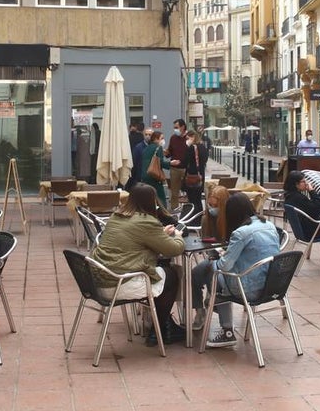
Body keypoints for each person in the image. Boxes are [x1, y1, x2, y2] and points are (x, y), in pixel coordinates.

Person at [91, 184, 185, 346]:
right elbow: (174, 249)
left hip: (97, 282)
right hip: (119, 283)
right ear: (152, 201)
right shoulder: (147, 222)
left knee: (158, 273)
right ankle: (159, 330)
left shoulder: (116, 216)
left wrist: (159, 235)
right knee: (171, 275)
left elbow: (134, 237)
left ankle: (161, 324)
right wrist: (177, 235)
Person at [192, 192, 280, 347]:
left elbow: (224, 266)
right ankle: (212, 304)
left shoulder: (241, 232)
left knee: (211, 272)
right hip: (272, 284)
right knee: (209, 272)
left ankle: (226, 329)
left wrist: (218, 258)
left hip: (248, 288)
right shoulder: (269, 225)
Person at [282, 169, 320, 270]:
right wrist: (312, 191)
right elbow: (317, 206)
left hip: (303, 229)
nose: (306, 183)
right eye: (303, 181)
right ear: (296, 184)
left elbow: (310, 212)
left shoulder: (290, 196)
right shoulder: (299, 198)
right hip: (312, 231)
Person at [140, 130, 169, 208]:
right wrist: (171, 164)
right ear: (156, 139)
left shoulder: (146, 148)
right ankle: (163, 216)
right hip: (154, 177)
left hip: (145, 177)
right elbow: (161, 163)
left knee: (148, 199)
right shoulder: (158, 148)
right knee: (160, 199)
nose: (163, 140)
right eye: (161, 138)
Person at [182, 129, 208, 214]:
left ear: (193, 137)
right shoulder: (203, 147)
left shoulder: (191, 148)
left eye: (188, 138)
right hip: (200, 176)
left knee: (192, 200)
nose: (187, 140)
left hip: (192, 177)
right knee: (198, 199)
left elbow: (185, 161)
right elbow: (205, 160)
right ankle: (199, 217)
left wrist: (186, 147)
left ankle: (193, 219)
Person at [166, 119, 189, 210]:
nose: (175, 129)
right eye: (174, 128)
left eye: (176, 127)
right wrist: (166, 153)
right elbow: (170, 152)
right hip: (174, 169)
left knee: (188, 191)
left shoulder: (189, 138)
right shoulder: (173, 138)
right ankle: (174, 210)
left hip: (186, 169)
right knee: (174, 192)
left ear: (183, 127)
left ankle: (188, 209)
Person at [127, 126, 147, 191]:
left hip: (138, 173)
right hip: (140, 174)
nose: (148, 136)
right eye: (146, 134)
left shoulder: (129, 137)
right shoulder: (139, 147)